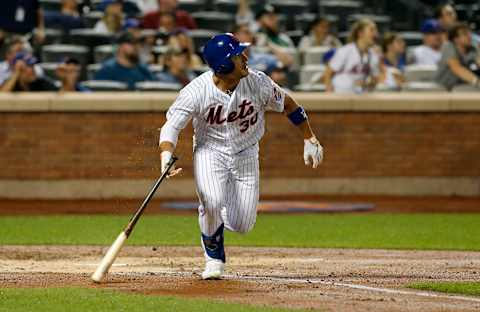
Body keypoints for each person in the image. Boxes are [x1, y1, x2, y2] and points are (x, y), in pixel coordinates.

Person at [158, 33, 323, 280]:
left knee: (243, 224)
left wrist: (309, 137)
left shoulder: (257, 82)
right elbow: (171, 126)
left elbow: (289, 104)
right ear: (224, 65)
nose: (245, 58)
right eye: (237, 55)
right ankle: (214, 257)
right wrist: (165, 154)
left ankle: (213, 217)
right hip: (209, 151)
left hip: (246, 152)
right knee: (211, 200)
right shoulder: (196, 91)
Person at [323, 18, 381, 93]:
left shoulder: (374, 55)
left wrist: (367, 83)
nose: (376, 34)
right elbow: (328, 73)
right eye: (372, 30)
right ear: (360, 33)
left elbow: (375, 80)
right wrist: (329, 93)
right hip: (340, 95)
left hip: (360, 98)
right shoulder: (345, 51)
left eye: (376, 31)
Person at [435, 22, 480, 91]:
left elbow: (478, 61)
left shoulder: (473, 48)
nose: (469, 36)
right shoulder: (448, 46)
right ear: (456, 39)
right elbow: (456, 68)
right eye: (465, 34)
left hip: (461, 87)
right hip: (441, 88)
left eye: (469, 33)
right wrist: (477, 81)